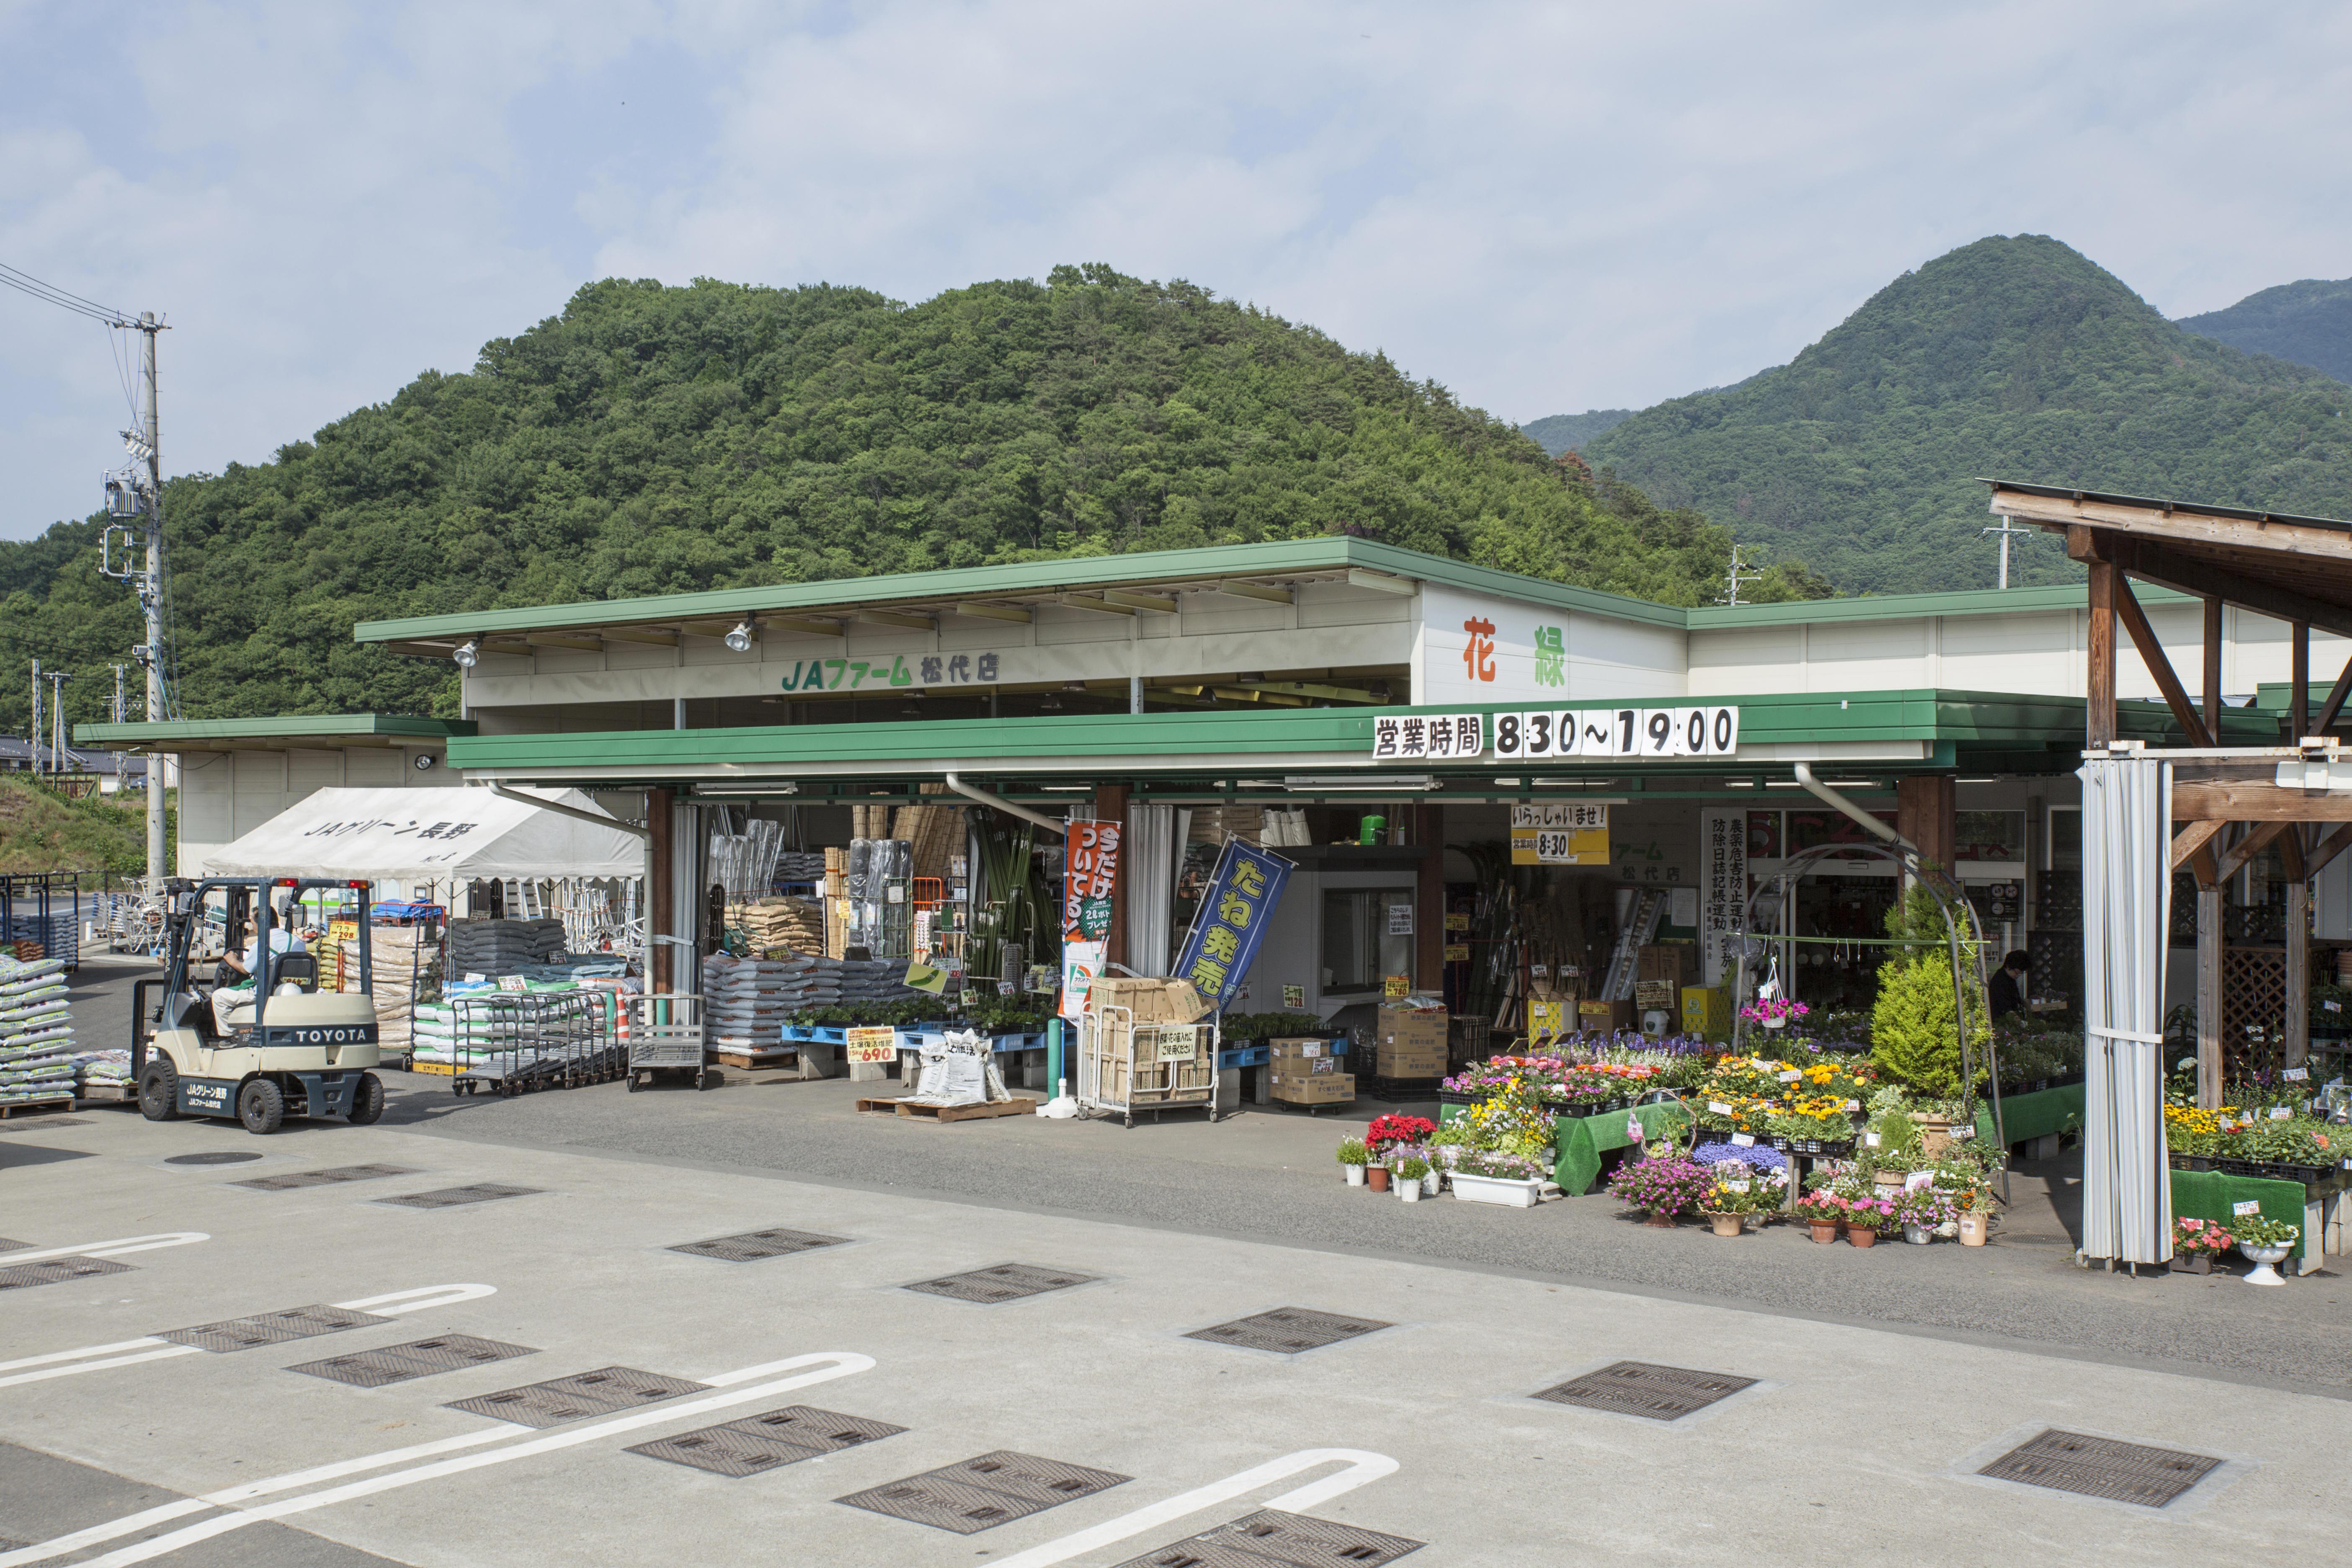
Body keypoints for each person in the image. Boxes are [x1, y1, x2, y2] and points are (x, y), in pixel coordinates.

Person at [1988, 950, 2031, 1019]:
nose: (2019, 975)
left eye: (2022, 973)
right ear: (2009, 966)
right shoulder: (2000, 981)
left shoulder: (2010, 978)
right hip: (2001, 1020)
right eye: (2017, 972)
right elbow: (2005, 1007)